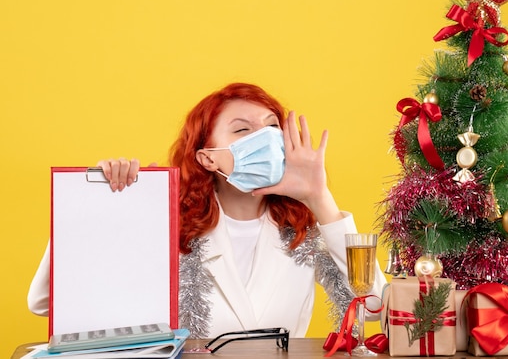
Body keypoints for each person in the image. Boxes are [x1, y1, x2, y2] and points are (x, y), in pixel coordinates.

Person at [27, 82, 387, 338]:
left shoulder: (304, 231)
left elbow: (377, 309)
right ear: (207, 157)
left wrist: (319, 197)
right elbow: (45, 301)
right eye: (243, 130)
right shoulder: (165, 223)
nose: (266, 139)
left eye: (273, 127)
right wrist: (102, 203)